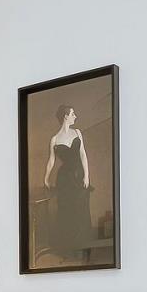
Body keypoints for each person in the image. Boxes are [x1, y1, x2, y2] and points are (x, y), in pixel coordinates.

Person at [44, 104, 92, 259]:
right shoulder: (54, 139)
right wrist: (46, 178)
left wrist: (86, 175)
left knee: (81, 210)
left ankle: (82, 249)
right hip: (64, 179)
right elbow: (51, 161)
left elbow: (83, 154)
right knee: (67, 212)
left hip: (78, 176)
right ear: (65, 116)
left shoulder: (77, 132)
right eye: (73, 114)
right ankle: (69, 250)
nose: (75, 116)